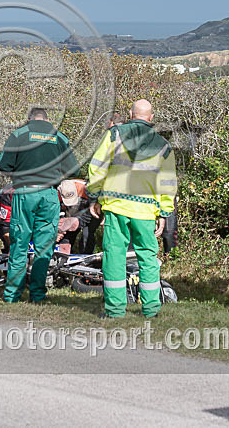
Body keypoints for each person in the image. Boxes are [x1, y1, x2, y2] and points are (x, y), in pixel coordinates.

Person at [88, 99, 177, 318]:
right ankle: (151, 309)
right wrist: (164, 213)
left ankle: (115, 310)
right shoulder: (163, 145)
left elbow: (97, 167)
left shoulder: (115, 134)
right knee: (147, 257)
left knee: (114, 256)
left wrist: (94, 196)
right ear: (151, 117)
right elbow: (168, 184)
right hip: (146, 210)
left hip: (116, 206)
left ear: (130, 114)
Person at [0, 108, 79, 303]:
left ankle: (12, 295)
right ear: (47, 119)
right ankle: (38, 295)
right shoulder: (59, 137)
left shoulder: (19, 135)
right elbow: (73, 168)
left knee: (19, 244)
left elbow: (4, 165)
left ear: (29, 119)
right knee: (45, 247)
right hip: (49, 194)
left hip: (25, 193)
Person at [56, 179, 100, 254]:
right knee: (67, 233)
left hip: (92, 210)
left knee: (87, 234)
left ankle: (87, 256)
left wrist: (77, 221)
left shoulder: (88, 188)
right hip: (71, 212)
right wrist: (58, 230)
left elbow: (96, 210)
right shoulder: (56, 194)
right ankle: (64, 255)